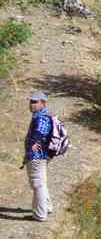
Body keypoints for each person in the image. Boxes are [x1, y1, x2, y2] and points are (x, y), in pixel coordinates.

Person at [20, 90, 53, 222]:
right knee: (41, 182)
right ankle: (47, 207)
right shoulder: (39, 115)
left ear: (43, 103)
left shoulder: (42, 116)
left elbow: (42, 130)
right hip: (40, 155)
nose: (31, 104)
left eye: (35, 102)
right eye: (31, 101)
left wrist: (35, 142)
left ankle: (40, 215)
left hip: (37, 156)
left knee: (37, 184)